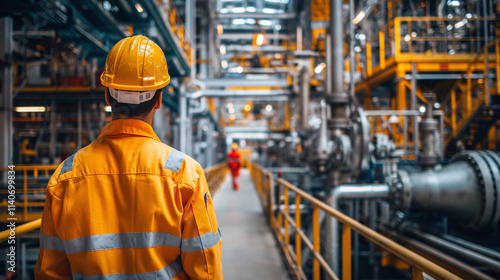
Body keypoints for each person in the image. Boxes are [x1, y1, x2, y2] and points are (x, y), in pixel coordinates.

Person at [34, 35, 222, 279]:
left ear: (107, 96)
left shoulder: (64, 177)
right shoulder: (185, 174)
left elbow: (50, 273)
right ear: (159, 101)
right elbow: (206, 269)